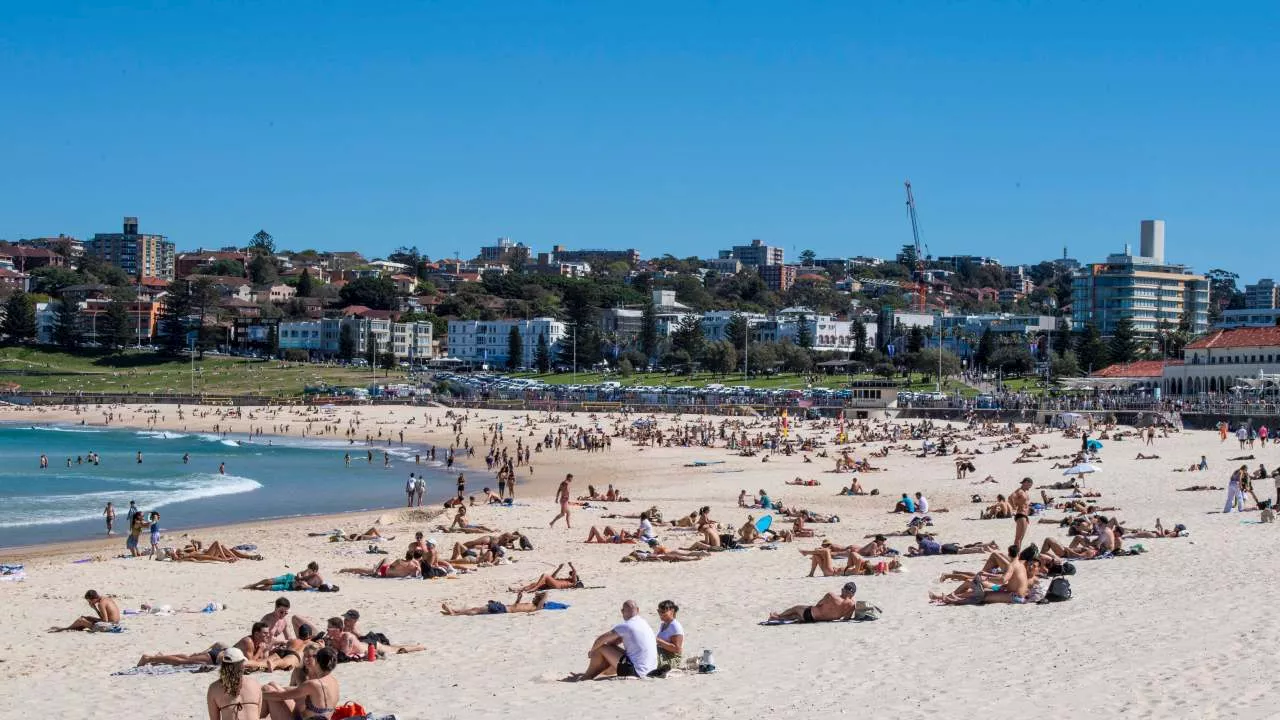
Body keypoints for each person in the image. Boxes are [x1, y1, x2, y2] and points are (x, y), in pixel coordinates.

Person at [569, 599, 658, 680]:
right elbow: (614, 643)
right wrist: (612, 644)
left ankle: (587, 676)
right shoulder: (643, 623)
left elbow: (600, 639)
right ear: (638, 610)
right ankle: (595, 672)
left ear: (622, 611)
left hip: (637, 672)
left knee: (600, 647)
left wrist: (591, 651)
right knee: (608, 648)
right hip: (651, 670)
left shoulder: (626, 625)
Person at [261, 646, 339, 720]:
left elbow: (280, 696)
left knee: (267, 689)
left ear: (317, 661)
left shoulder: (312, 684)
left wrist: (258, 694)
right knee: (272, 685)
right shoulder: (334, 682)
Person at [206, 647, 263, 720]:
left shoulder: (214, 688)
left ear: (223, 666)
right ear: (242, 665)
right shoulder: (255, 684)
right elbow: (257, 715)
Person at [766, 582, 858, 623]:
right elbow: (846, 618)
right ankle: (780, 618)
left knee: (796, 608)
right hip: (821, 620)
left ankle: (778, 616)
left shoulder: (831, 596)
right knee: (795, 616)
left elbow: (819, 604)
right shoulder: (852, 605)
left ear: (842, 590)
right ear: (853, 594)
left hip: (811, 614)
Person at [48, 589, 121, 632]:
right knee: (88, 618)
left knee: (81, 620)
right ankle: (70, 628)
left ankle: (65, 629)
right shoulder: (106, 599)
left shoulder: (101, 604)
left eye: (89, 601)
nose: (89, 603)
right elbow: (106, 618)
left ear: (93, 599)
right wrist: (91, 618)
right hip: (116, 624)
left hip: (110, 626)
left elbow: (105, 620)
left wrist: (95, 608)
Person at [440, 591, 548, 616]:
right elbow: (516, 606)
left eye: (536, 597)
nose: (533, 598)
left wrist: (541, 595)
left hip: (502, 610)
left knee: (477, 610)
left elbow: (546, 594)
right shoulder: (529, 604)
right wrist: (518, 599)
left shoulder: (536, 608)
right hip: (503, 606)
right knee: (476, 608)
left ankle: (455, 614)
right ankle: (454, 610)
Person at [655, 600, 684, 673]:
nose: (661, 614)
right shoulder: (664, 624)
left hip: (672, 658)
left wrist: (659, 641)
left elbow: (677, 649)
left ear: (672, 611)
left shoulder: (675, 626)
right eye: (659, 611)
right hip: (662, 653)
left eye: (664, 612)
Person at [509, 562, 582, 592]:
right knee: (534, 583)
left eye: (572, 575)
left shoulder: (573, 582)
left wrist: (571, 566)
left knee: (545, 575)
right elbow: (552, 577)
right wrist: (559, 568)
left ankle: (535, 588)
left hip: (557, 586)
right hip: (554, 584)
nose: (571, 575)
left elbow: (574, 573)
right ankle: (518, 590)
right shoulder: (566, 579)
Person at [1010, 477, 1033, 552]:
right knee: (1018, 538)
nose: (1030, 487)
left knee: (1021, 538)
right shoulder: (1019, 491)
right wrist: (1014, 508)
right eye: (1030, 485)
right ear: (1025, 483)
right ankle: (1015, 556)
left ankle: (1017, 554)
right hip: (1021, 514)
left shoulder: (1024, 492)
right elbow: (1010, 497)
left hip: (1025, 516)